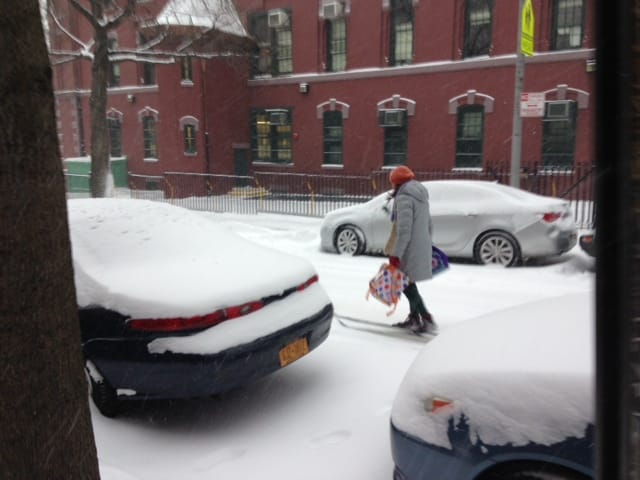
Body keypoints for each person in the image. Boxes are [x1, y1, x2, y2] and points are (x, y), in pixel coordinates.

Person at [385, 165, 438, 334]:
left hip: (408, 247)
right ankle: (415, 317)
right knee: (408, 282)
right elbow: (429, 223)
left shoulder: (404, 198)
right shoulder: (420, 196)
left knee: (406, 284)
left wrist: (396, 254)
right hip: (419, 244)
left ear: (396, 183)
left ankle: (426, 317)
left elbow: (404, 231)